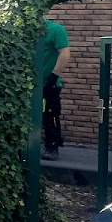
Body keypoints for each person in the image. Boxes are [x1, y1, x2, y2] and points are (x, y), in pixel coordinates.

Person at [37, 18, 71, 160]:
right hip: (30, 84)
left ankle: (52, 146)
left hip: (48, 84)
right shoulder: (26, 30)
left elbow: (65, 53)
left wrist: (53, 76)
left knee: (48, 115)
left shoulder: (55, 30)